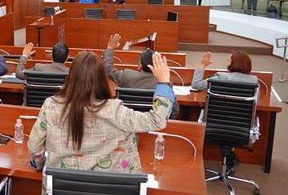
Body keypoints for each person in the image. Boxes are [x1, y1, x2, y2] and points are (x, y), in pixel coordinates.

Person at [28, 51, 174, 172]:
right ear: (102, 79)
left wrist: (40, 164)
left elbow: (35, 148)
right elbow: (157, 120)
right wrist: (164, 82)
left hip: (60, 194)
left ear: (71, 77)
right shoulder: (115, 110)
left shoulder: (51, 106)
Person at [104, 34, 179, 118]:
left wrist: (110, 48)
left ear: (140, 65)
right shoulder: (164, 85)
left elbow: (109, 68)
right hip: (154, 123)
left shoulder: (127, 76)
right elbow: (174, 112)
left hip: (128, 121)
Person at [191, 51, 258, 91]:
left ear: (233, 64)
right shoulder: (254, 81)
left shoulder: (221, 78)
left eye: (228, 61)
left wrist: (203, 65)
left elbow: (196, 84)